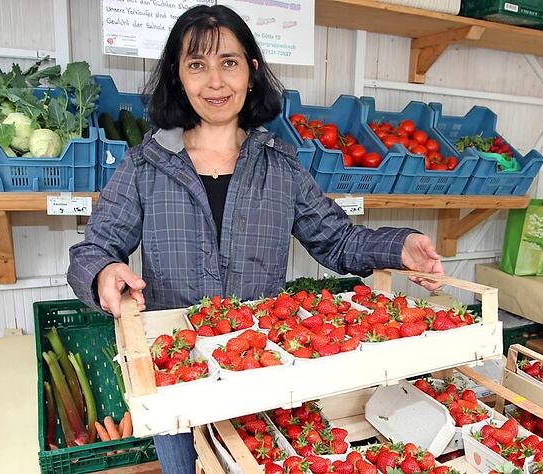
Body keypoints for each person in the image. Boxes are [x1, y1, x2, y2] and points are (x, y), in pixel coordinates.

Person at [67, 5, 444, 473]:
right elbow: (93, 248)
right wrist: (105, 271)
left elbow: (336, 240)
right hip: (177, 370)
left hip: (260, 364)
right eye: (196, 65)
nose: (215, 82)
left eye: (229, 62)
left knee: (255, 461)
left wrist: (399, 245)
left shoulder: (280, 165)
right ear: (177, 76)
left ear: (252, 71)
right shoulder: (145, 165)